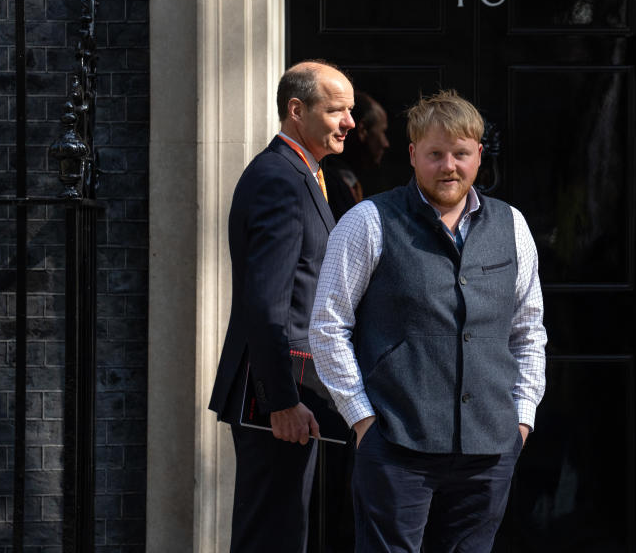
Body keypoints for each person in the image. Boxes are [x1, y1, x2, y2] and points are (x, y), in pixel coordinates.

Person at [309, 89, 547, 552]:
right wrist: (362, 419)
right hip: (397, 445)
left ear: (478, 155)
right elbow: (327, 326)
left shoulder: (512, 225)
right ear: (414, 154)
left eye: (460, 154)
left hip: (490, 447)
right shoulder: (368, 222)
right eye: (436, 154)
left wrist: (522, 418)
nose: (449, 166)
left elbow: (528, 330)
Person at [208, 60, 355, 552]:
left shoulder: (303, 174)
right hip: (276, 396)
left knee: (285, 530)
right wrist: (282, 403)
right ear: (297, 110)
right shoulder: (281, 179)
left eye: (349, 111)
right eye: (337, 110)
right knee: (272, 535)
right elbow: (267, 304)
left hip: (291, 393)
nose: (349, 123)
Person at [322, 90, 390, 219]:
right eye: (382, 132)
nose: (385, 143)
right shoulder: (330, 186)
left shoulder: (346, 183)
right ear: (362, 130)